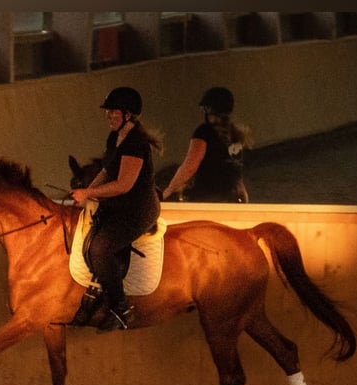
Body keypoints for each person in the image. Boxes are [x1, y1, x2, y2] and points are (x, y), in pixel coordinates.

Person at [70, 86, 163, 331]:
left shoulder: (135, 143)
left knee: (101, 248)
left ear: (128, 116)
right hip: (119, 205)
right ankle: (97, 291)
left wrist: (89, 193)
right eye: (109, 112)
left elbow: (123, 184)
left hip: (137, 210)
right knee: (89, 241)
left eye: (113, 112)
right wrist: (86, 191)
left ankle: (121, 307)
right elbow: (106, 170)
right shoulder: (115, 137)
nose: (108, 116)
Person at [162, 86, 253, 203]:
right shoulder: (236, 134)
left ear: (208, 109)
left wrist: (169, 190)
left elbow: (190, 166)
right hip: (233, 198)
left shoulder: (204, 132)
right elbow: (235, 171)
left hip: (207, 197)